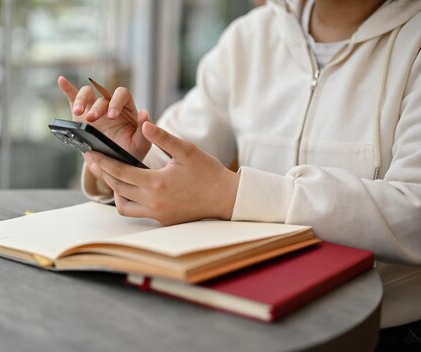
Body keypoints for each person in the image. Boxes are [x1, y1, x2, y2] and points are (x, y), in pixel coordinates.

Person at [58, 0, 421, 349]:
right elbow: (176, 160)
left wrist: (232, 195)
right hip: (246, 308)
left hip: (386, 327)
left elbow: (413, 214)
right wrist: (127, 155)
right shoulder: (248, 39)